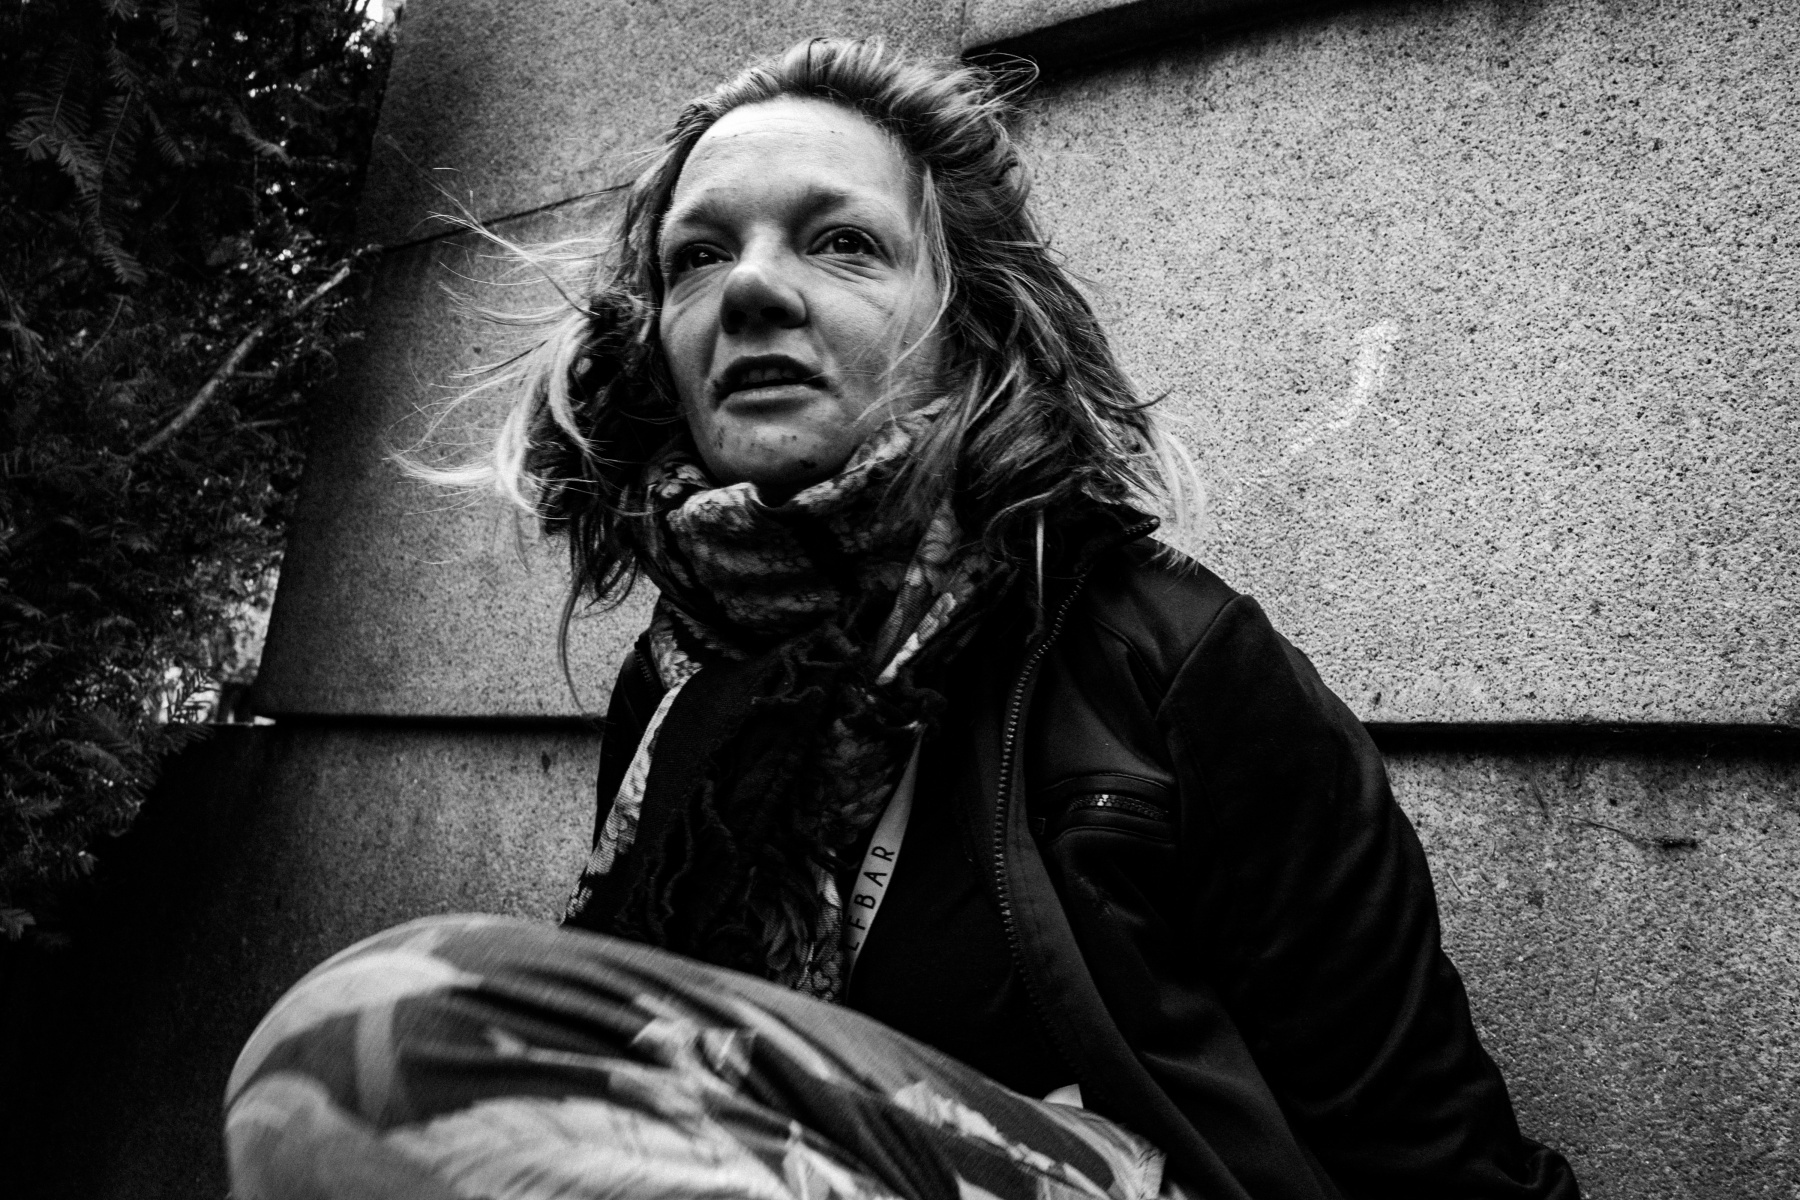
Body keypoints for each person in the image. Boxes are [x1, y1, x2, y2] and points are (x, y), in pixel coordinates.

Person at [224, 38, 1582, 1200]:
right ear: (657, 341)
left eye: (842, 242)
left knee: (381, 1033)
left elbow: (1435, 1159)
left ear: (967, 321)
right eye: (700, 255)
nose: (752, 288)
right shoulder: (684, 677)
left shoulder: (1170, 666)